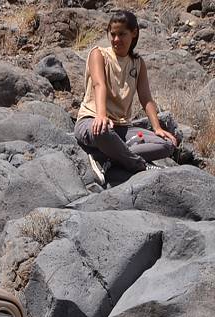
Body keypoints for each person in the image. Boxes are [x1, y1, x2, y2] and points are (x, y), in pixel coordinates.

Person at [74, 9, 178, 187]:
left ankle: (108, 158)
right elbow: (100, 85)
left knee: (168, 144)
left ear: (134, 33)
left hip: (122, 129)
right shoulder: (98, 54)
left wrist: (157, 127)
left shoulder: (138, 64)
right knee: (103, 131)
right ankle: (140, 166)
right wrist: (100, 115)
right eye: (112, 34)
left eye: (121, 34)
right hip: (91, 121)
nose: (116, 39)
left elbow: (146, 98)